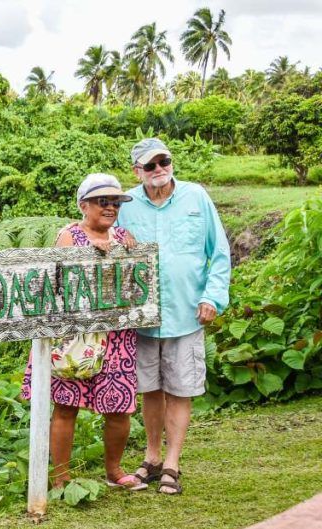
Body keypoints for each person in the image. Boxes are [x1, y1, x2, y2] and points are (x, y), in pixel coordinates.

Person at [117, 138, 231, 494]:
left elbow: (220, 252)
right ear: (137, 171)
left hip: (186, 313)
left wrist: (213, 297)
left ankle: (172, 464)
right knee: (150, 389)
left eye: (163, 161)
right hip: (143, 317)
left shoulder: (196, 197)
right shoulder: (126, 204)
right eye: (149, 165)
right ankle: (151, 459)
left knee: (181, 390)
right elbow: (109, 247)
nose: (158, 169)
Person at [23, 173, 145, 491]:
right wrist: (89, 254)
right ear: (84, 205)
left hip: (116, 334)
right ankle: (61, 476)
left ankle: (115, 470)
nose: (110, 208)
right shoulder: (69, 236)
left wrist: (128, 251)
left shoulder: (123, 236)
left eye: (115, 202)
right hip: (76, 335)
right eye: (102, 201)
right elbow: (57, 280)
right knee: (67, 405)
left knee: (119, 406)